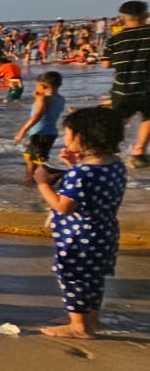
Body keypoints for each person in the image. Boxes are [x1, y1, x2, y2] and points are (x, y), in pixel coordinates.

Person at [33, 106, 128, 339]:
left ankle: (79, 326)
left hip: (79, 237)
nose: (65, 140)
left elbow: (63, 206)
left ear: (82, 138)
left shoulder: (82, 173)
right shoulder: (116, 164)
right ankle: (90, 318)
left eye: (68, 135)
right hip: (104, 231)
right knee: (93, 277)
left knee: (73, 277)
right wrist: (73, 166)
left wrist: (43, 183)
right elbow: (92, 191)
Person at [104, 0, 150, 168]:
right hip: (146, 87)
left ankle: (105, 152)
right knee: (148, 117)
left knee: (118, 122)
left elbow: (106, 64)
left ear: (123, 17)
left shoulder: (116, 38)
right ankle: (139, 151)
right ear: (145, 15)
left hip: (122, 89)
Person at [14, 72, 65, 183]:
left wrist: (22, 130)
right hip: (49, 133)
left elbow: (37, 115)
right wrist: (38, 97)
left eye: (36, 86)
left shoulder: (43, 99)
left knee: (36, 160)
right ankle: (30, 180)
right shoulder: (60, 98)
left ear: (43, 86)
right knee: (30, 157)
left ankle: (54, 175)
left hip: (40, 133)